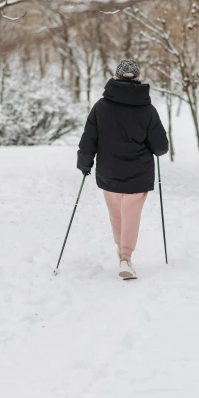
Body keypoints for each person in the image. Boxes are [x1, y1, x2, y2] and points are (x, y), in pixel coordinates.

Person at [77, 59, 169, 280]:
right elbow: (161, 147)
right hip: (138, 174)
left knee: (116, 215)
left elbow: (89, 138)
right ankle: (125, 257)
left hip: (109, 171)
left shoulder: (101, 106)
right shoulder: (147, 109)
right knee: (131, 215)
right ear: (138, 78)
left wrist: (84, 163)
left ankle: (122, 251)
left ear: (116, 77)